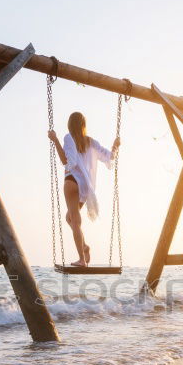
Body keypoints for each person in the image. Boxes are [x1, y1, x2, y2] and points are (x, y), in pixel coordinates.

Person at [48, 112, 121, 267]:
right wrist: (115, 145)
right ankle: (85, 247)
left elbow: (66, 161)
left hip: (71, 181)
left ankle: (82, 259)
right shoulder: (91, 142)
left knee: (74, 220)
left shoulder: (69, 138)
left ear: (70, 125)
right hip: (85, 187)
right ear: (83, 126)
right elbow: (110, 156)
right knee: (70, 218)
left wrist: (55, 140)